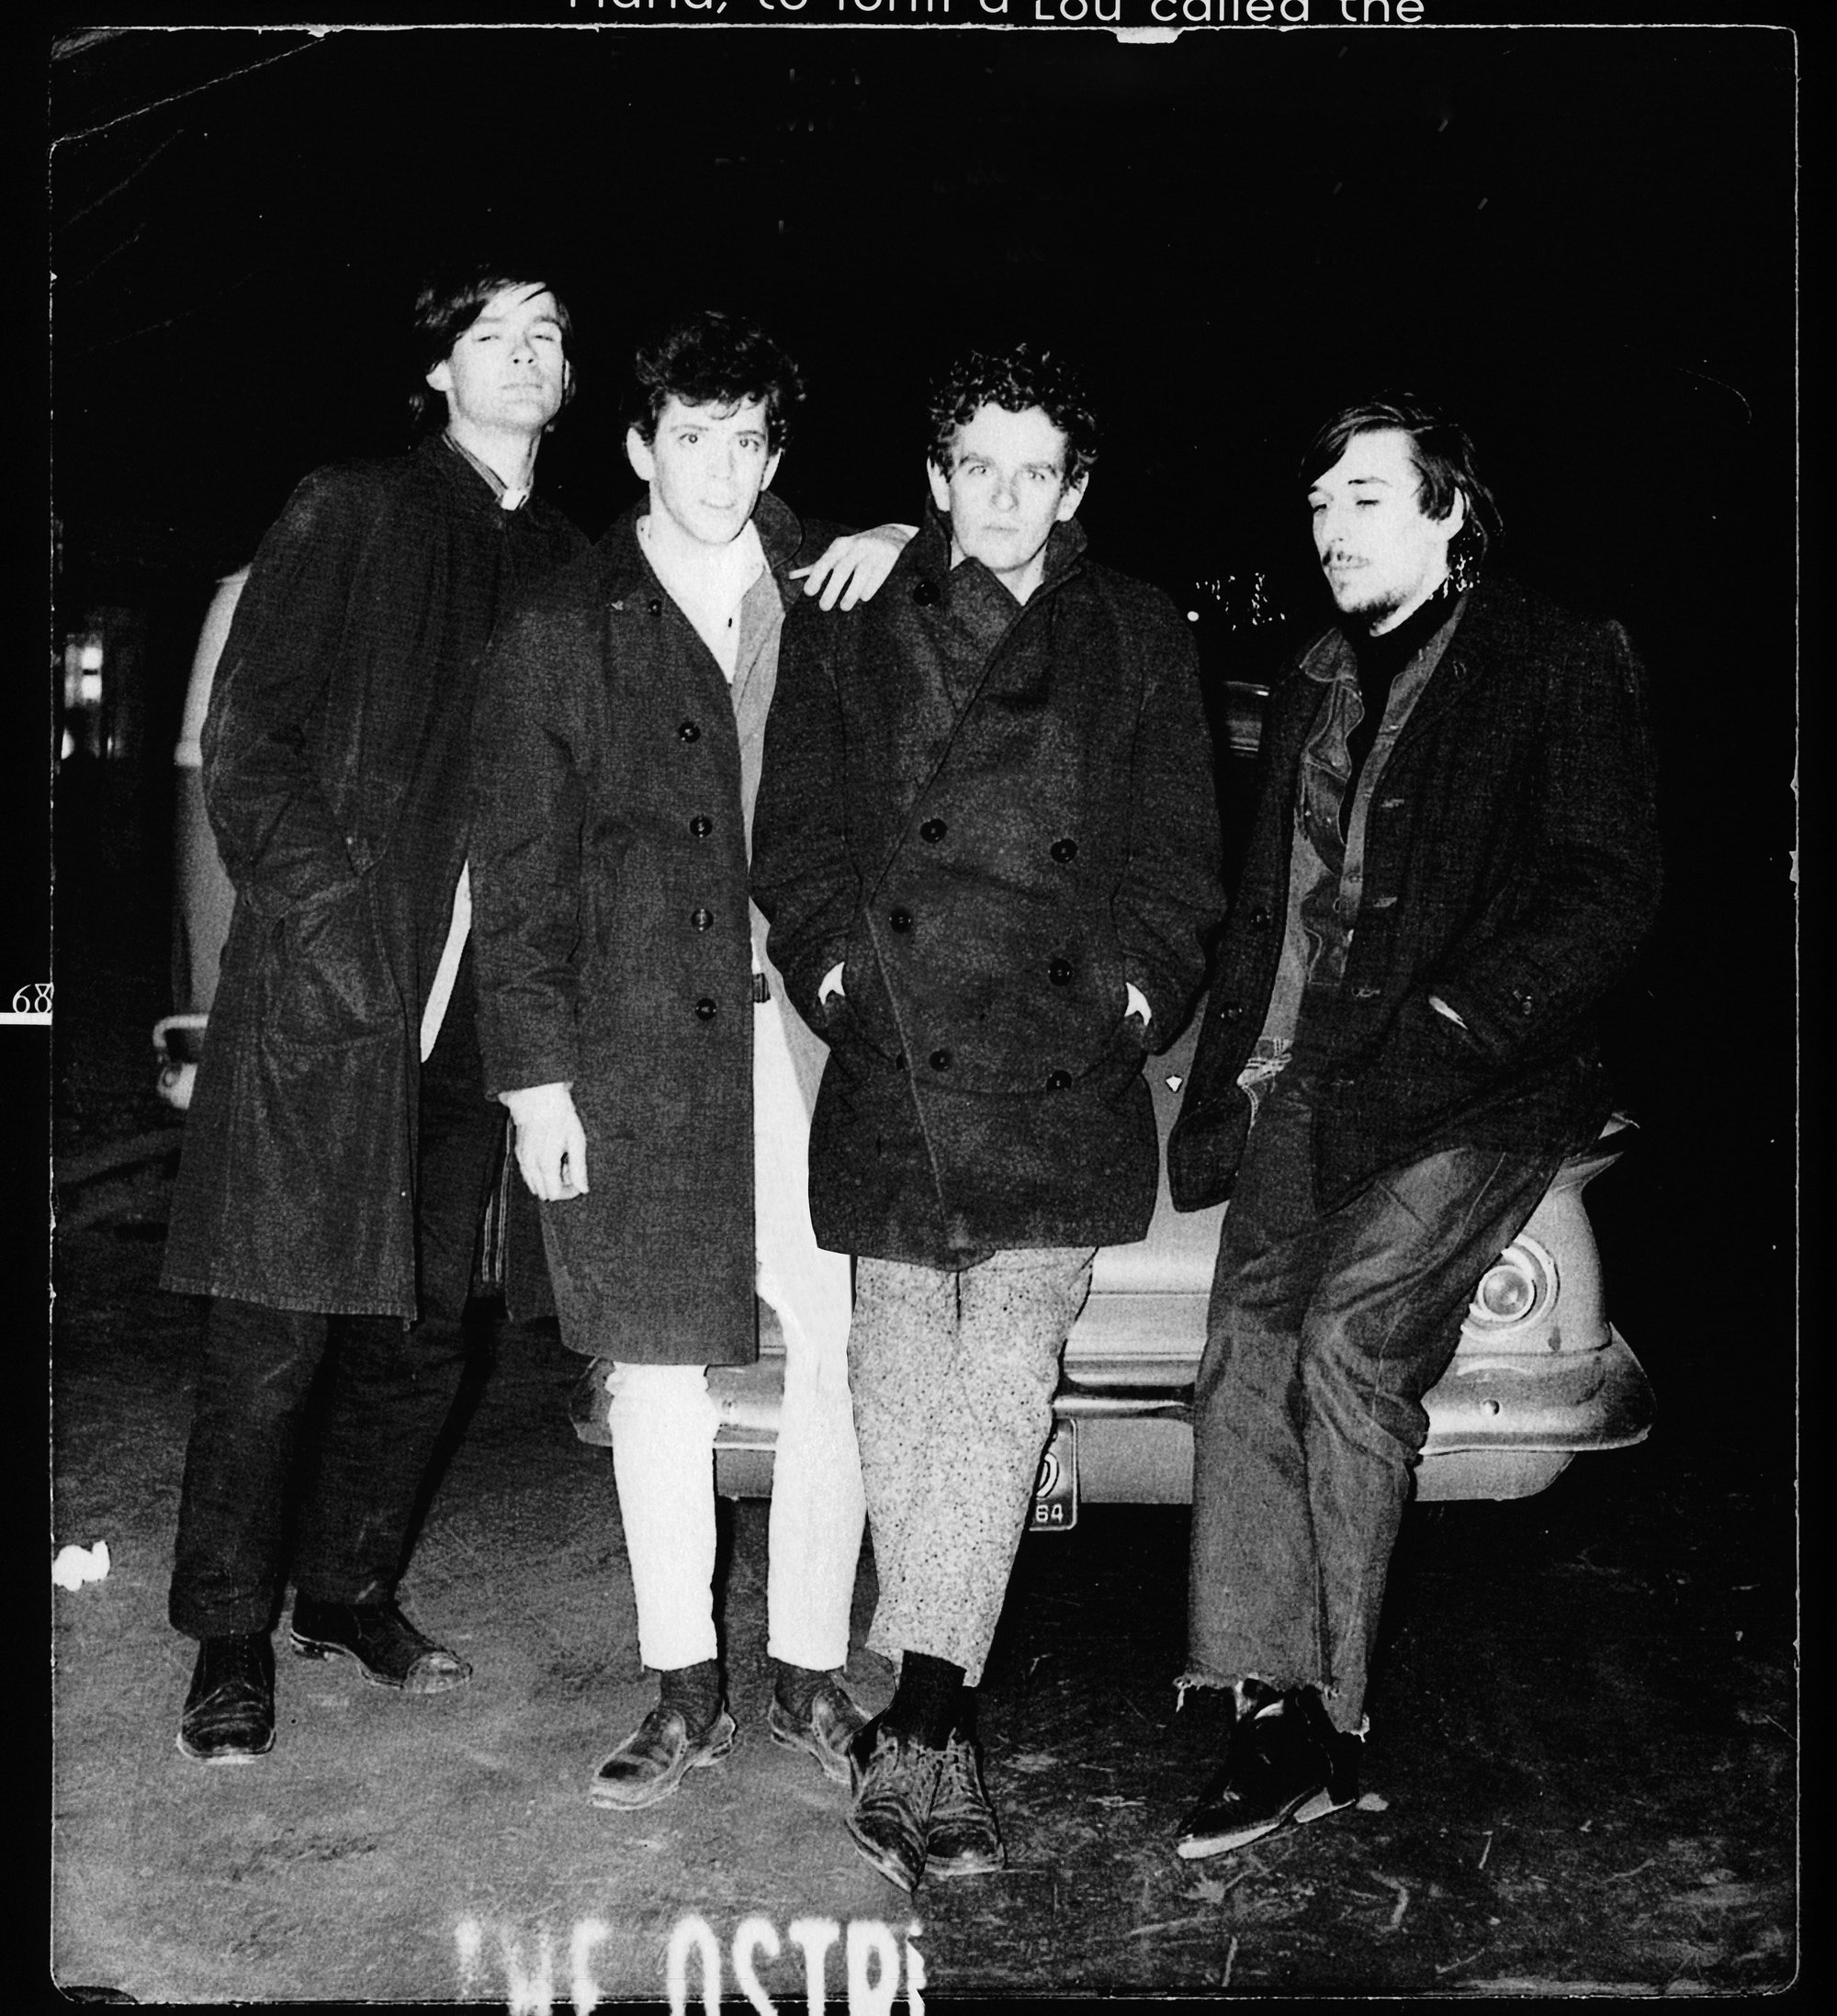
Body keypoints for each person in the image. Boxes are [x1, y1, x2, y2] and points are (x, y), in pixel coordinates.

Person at [158, 274, 900, 1768]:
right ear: (435, 368)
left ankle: (349, 1590)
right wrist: (338, 920)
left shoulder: (571, 555)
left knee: (430, 1324)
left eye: (549, 338)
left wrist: (895, 533)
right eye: (493, 335)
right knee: (277, 1326)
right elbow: (244, 748)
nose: (526, 358)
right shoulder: (350, 507)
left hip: (484, 1016)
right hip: (341, 992)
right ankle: (229, 1639)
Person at [750, 344, 1225, 1891]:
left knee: (1004, 1382)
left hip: (1061, 1071)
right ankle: (928, 1736)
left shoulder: (1140, 631)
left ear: (1074, 489)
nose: (1008, 496)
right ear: (937, 482)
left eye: (1040, 470)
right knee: (900, 1371)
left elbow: (1179, 864)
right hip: (893, 1063)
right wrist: (833, 976)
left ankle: (925, 1718)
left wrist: (1136, 994)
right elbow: (798, 836)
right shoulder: (853, 620)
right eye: (979, 467)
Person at [1164, 396, 1662, 1859]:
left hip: (1474, 1089)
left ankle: (1331, 1719)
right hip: (1306, 1080)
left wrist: (1452, 1029)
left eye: (1369, 500)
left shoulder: (1556, 655)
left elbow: (1605, 887)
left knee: (1347, 1343)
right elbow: (1276, 905)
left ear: (1452, 513)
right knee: (1243, 1348)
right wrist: (1236, 1074)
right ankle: (1267, 1702)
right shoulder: (1314, 675)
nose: (1333, 532)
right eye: (1320, 507)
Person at [468, 310, 911, 1814]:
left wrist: (916, 538)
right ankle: (680, 1686)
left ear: (774, 452)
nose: (719, 466)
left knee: (837, 1350)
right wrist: (535, 1081)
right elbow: (519, 876)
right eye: (691, 436)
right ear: (642, 447)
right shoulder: (557, 629)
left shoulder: (841, 597)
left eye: (748, 438)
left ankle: (804, 1670)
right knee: (657, 1374)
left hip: (806, 1043)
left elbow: (1008, 598)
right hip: (636, 1054)